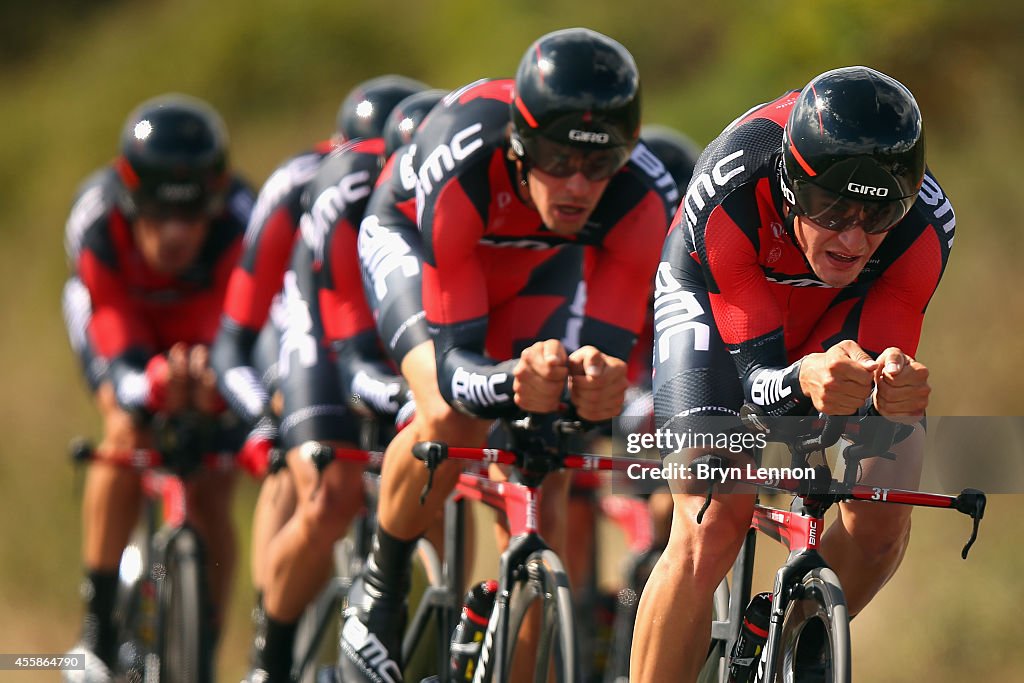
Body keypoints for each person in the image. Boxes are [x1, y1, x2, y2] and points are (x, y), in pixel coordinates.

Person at [339, 27, 677, 683]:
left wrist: (594, 387)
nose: (578, 184)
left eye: (599, 163)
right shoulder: (463, 151)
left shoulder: (642, 196)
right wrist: (515, 381)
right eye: (557, 159)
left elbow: (600, 363)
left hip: (530, 264)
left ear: (626, 155)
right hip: (419, 237)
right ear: (520, 146)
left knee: (541, 477)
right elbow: (457, 367)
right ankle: (379, 588)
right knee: (446, 413)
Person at [631, 66, 953, 681]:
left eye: (877, 215)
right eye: (830, 208)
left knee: (886, 509)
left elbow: (878, 371)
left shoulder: (925, 229)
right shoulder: (734, 180)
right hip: (715, 298)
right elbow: (755, 383)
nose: (853, 238)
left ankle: (791, 637)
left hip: (825, 318)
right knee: (711, 517)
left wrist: (891, 390)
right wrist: (802, 378)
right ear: (788, 185)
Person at [208, 76, 429, 681]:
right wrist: (264, 415)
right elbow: (234, 338)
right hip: (312, 330)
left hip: (396, 335)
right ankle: (270, 656)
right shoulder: (301, 186)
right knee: (327, 490)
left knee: (432, 477)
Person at [61, 93, 255, 681]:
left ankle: (204, 640)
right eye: (155, 215)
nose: (174, 236)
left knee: (214, 482)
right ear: (128, 202)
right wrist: (145, 384)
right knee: (125, 428)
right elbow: (112, 333)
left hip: (205, 323)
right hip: (126, 319)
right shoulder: (94, 219)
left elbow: (241, 330)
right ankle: (97, 621)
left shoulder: (245, 221)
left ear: (215, 205)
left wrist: (215, 390)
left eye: (191, 215)